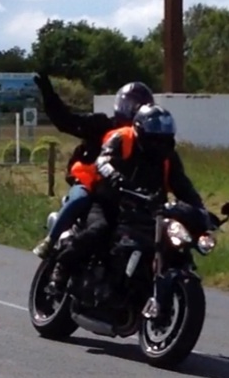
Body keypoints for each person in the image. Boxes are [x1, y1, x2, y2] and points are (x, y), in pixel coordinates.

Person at [46, 103, 210, 294]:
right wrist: (115, 177)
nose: (159, 145)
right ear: (141, 132)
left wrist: (200, 211)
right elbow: (103, 161)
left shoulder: (168, 157)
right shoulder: (122, 138)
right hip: (109, 202)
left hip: (146, 210)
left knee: (172, 244)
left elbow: (183, 186)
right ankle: (62, 266)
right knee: (100, 229)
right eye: (155, 139)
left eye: (165, 140)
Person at [32, 74, 155, 259]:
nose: (132, 110)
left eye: (138, 106)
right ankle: (50, 241)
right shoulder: (101, 124)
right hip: (89, 182)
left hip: (121, 192)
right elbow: (66, 120)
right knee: (80, 198)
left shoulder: (147, 139)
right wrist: (49, 94)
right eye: (129, 105)